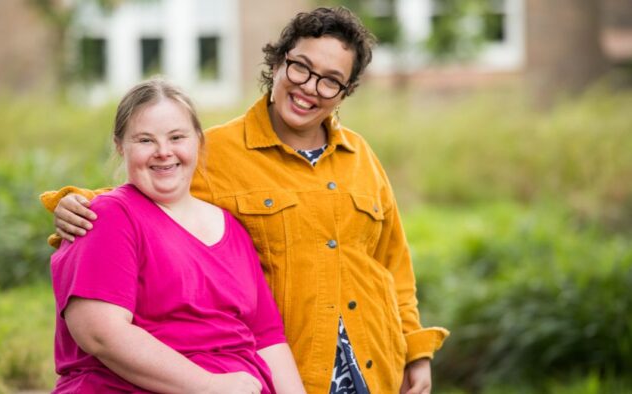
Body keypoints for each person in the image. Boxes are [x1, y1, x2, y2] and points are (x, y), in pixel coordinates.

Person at [43, 7, 449, 394]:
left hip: (373, 361)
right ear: (277, 64)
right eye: (301, 67)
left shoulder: (361, 156)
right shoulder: (214, 150)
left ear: (344, 93)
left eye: (329, 80)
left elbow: (392, 263)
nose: (309, 87)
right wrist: (74, 201)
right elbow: (147, 188)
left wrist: (415, 350)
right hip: (294, 367)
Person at [45, 77, 306, 393]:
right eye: (145, 140)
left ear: (198, 140)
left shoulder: (233, 228)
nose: (163, 152)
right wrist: (208, 385)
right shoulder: (108, 217)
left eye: (176, 137)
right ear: (119, 146)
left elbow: (267, 338)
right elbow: (99, 332)